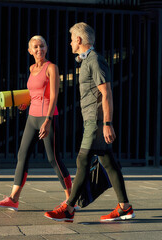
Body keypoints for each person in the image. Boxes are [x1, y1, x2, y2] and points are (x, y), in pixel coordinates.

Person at [44, 22, 135, 222]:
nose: (69, 44)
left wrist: (107, 123)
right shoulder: (87, 62)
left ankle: (68, 208)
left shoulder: (94, 60)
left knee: (82, 160)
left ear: (78, 40)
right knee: (109, 163)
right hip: (92, 120)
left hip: (96, 121)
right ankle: (124, 207)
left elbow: (107, 92)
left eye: (71, 40)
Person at [0, 35, 75, 211]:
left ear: (47, 47)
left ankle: (71, 199)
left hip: (48, 117)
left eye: (42, 46)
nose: (39, 50)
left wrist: (48, 120)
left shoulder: (51, 68)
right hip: (32, 117)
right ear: (30, 51)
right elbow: (34, 93)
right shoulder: (31, 68)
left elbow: (53, 96)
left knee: (54, 159)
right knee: (22, 155)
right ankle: (14, 198)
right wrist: (26, 102)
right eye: (36, 47)